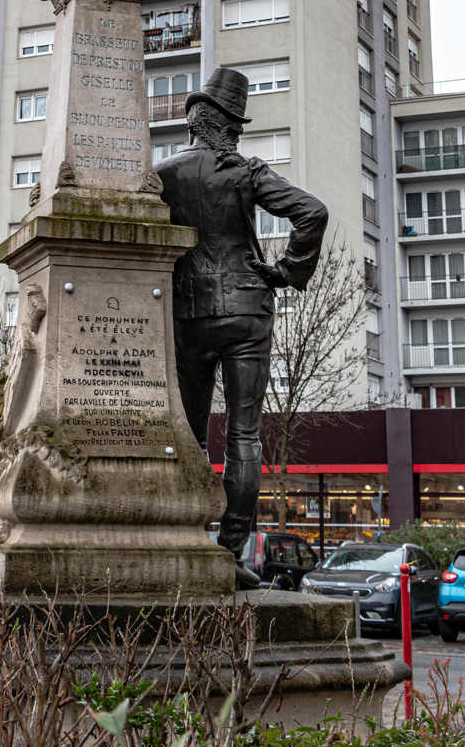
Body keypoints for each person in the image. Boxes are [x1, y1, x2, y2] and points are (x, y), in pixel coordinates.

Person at [155, 68, 328, 589]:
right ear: (226, 126)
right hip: (248, 310)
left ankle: (182, 538)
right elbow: (312, 213)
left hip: (188, 313)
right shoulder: (244, 171)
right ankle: (230, 552)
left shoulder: (161, 174)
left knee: (185, 435)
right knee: (243, 435)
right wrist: (285, 271)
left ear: (192, 123)